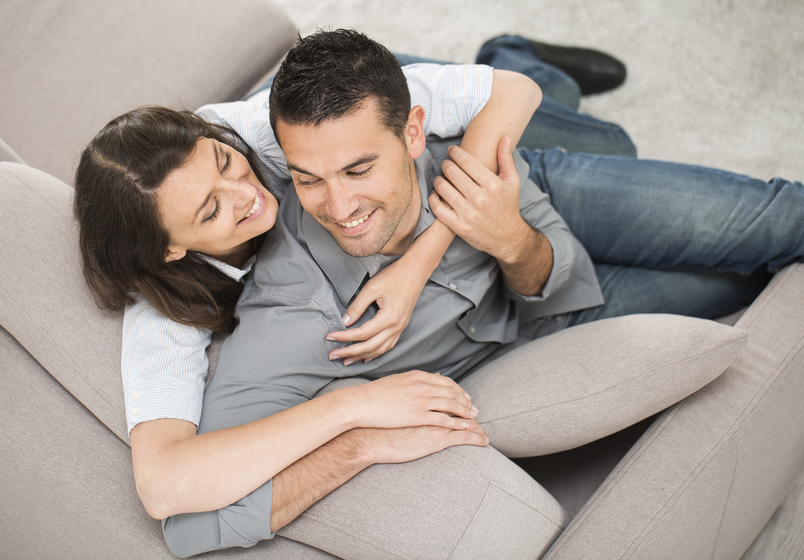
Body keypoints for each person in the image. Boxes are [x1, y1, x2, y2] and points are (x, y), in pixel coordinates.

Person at [154, 28, 803, 554]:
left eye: (358, 169)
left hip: (538, 187)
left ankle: (514, 55)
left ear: (413, 133)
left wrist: (508, 237)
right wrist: (357, 437)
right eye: (307, 179)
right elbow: (188, 526)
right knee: (744, 277)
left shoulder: (456, 151)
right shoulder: (285, 323)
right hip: (537, 318)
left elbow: (535, 224)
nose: (340, 204)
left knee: (751, 212)